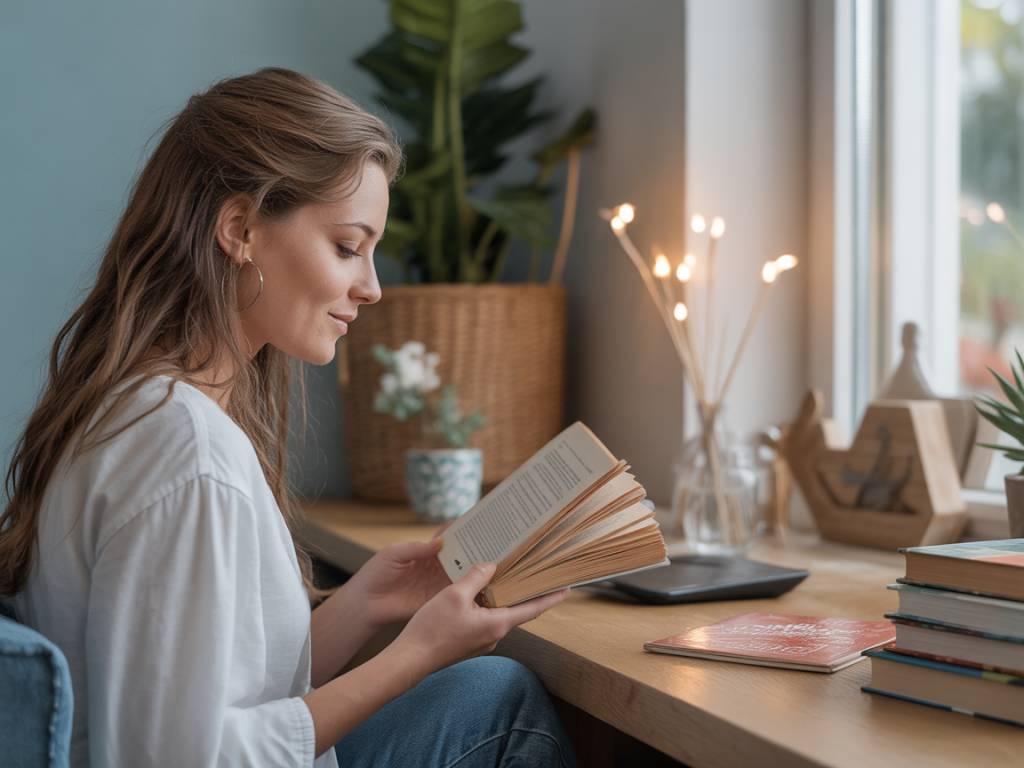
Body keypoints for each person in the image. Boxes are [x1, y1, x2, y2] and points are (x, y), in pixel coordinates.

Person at [0, 67, 575, 767]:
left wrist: (368, 601)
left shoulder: (138, 409)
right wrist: (418, 654)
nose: (371, 288)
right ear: (240, 228)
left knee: (492, 688)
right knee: (502, 702)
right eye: (346, 246)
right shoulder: (187, 451)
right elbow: (179, 757)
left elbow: (229, 688)